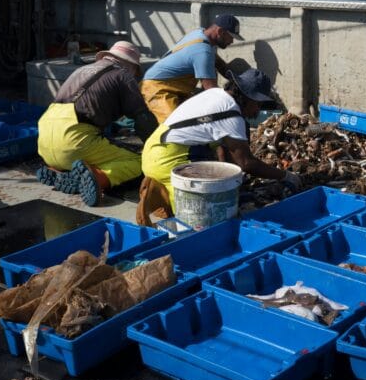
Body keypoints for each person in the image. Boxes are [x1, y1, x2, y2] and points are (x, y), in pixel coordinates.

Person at [136, 68, 300, 225]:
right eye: (258, 104)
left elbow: (220, 146)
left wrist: (227, 178)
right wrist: (285, 176)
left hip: (153, 149)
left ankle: (159, 192)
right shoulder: (231, 114)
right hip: (170, 160)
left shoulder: (216, 94)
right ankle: (161, 199)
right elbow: (246, 163)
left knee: (213, 176)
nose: (258, 110)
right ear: (246, 97)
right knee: (201, 218)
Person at [36, 40, 157, 206]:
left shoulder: (82, 70)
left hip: (45, 140)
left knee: (95, 148)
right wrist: (156, 147)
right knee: (140, 161)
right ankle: (100, 178)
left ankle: (58, 170)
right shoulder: (123, 74)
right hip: (73, 141)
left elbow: (88, 107)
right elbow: (143, 119)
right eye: (136, 71)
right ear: (131, 65)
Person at [140, 14, 242, 123]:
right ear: (220, 32)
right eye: (231, 37)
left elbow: (218, 63)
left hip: (178, 90)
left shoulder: (200, 34)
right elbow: (212, 91)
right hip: (156, 88)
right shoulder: (202, 52)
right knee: (175, 125)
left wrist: (239, 82)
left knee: (193, 120)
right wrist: (234, 108)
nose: (231, 41)